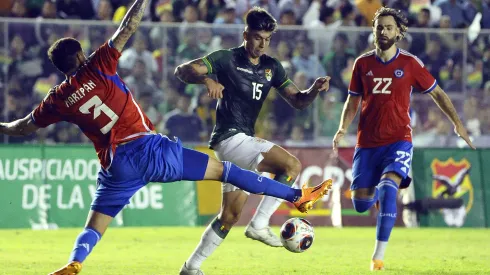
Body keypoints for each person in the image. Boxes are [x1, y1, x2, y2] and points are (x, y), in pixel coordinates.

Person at [0, 1, 332, 274]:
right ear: (80, 56)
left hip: (116, 166)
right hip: (151, 149)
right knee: (227, 173)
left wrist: (1, 127)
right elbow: (127, 27)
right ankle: (294, 196)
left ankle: (75, 261)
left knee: (95, 224)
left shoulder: (56, 99)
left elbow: (25, 126)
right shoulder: (98, 65)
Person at [174, 7, 332, 275]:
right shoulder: (226, 59)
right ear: (245, 34)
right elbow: (182, 70)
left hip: (239, 144)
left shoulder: (272, 67)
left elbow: (298, 101)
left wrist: (314, 90)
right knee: (292, 166)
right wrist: (207, 79)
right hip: (230, 138)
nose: (262, 44)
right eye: (258, 37)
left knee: (229, 217)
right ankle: (259, 223)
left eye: (268, 39)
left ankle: (191, 267)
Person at [332, 7, 475, 271]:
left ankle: (378, 257)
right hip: (367, 143)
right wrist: (342, 128)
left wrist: (457, 123)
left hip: (399, 140)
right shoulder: (362, 64)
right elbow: (353, 100)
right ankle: (375, 195)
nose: (383, 32)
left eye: (389, 27)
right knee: (361, 204)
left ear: (398, 32)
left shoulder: (410, 64)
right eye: (379, 27)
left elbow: (439, 94)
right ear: (373, 30)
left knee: (389, 188)